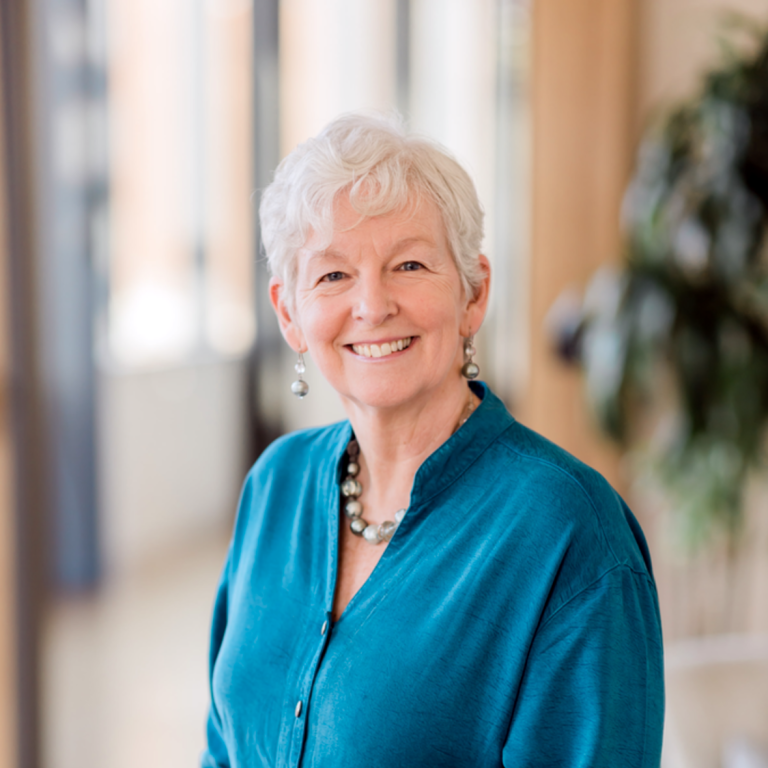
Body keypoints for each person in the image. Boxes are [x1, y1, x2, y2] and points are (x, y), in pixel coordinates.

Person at [201, 113, 664, 768]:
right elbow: (223, 744)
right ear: (289, 312)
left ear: (473, 295)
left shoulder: (571, 533)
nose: (372, 305)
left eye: (409, 264)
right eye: (333, 275)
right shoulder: (276, 483)